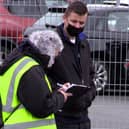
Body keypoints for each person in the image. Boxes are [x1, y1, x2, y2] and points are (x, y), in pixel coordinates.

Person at [0, 30, 72, 129]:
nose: (54, 61)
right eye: (54, 56)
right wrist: (61, 97)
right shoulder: (31, 69)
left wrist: (57, 91)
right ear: (48, 51)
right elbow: (43, 107)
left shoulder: (22, 62)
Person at [47, 1, 96, 129]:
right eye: (73, 21)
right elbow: (42, 75)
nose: (77, 26)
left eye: (81, 23)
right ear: (65, 18)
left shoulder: (84, 43)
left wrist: (90, 95)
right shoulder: (51, 42)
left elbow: (90, 73)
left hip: (83, 116)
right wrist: (58, 92)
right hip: (60, 115)